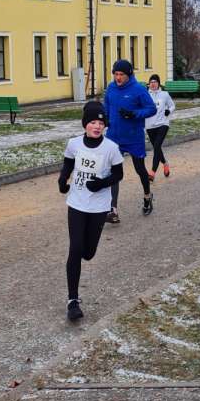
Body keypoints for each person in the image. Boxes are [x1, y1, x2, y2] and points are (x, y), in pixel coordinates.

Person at [58, 101, 125, 320]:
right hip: (77, 203)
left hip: (99, 206)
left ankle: (86, 253)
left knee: (88, 253)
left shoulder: (111, 148)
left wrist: (101, 184)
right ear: (85, 124)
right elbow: (68, 164)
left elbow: (119, 174)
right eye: (93, 122)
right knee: (75, 249)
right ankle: (72, 301)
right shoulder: (74, 144)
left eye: (101, 123)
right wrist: (62, 179)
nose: (97, 126)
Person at [102, 59, 157, 222]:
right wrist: (105, 119)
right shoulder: (111, 88)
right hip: (114, 137)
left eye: (121, 75)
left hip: (133, 137)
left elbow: (151, 109)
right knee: (113, 172)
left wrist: (134, 114)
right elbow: (107, 106)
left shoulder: (138, 89)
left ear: (129, 75)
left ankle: (147, 195)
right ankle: (113, 210)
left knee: (140, 169)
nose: (118, 78)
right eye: (116, 74)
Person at [144, 74, 175, 180]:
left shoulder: (164, 94)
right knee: (157, 148)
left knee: (157, 146)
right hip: (150, 125)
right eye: (151, 82)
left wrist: (169, 111)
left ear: (158, 83)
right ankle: (165, 163)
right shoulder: (145, 95)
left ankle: (152, 172)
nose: (153, 84)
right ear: (149, 84)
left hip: (163, 124)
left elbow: (172, 105)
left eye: (155, 82)